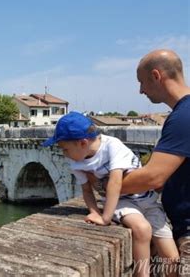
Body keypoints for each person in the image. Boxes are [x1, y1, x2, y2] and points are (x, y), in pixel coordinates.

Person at [43, 111, 179, 277]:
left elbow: (115, 182)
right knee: (142, 229)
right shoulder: (76, 162)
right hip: (121, 202)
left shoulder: (112, 145)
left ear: (83, 143)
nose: (64, 154)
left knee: (172, 259)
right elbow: (86, 190)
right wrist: (94, 211)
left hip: (147, 200)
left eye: (65, 149)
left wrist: (105, 218)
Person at [120, 49, 190, 276]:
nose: (140, 90)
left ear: (156, 76)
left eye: (142, 82)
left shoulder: (184, 117)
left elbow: (153, 176)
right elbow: (166, 176)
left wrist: (105, 185)